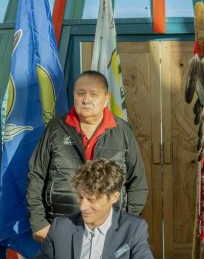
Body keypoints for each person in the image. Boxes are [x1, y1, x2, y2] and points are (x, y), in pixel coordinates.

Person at [27, 70, 147, 241]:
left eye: (93, 94)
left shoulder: (123, 132)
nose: (86, 100)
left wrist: (126, 224)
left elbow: (138, 183)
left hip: (110, 232)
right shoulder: (56, 128)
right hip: (62, 228)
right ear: (74, 95)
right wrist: (39, 223)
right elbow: (36, 175)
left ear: (106, 98)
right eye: (80, 93)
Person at [11, 159, 156, 259]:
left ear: (114, 197)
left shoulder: (133, 228)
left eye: (92, 199)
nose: (82, 207)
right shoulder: (61, 227)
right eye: (80, 197)